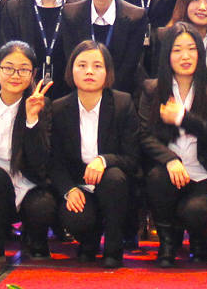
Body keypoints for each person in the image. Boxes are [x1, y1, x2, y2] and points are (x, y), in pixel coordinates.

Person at [138, 23, 207, 266]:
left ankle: (200, 239)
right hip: (168, 171)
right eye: (177, 50)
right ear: (167, 55)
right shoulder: (152, 89)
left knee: (196, 211)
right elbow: (144, 135)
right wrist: (170, 159)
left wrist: (183, 118)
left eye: (191, 49)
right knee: (156, 178)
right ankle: (167, 244)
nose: (185, 56)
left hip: (202, 173)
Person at [47, 42, 142, 267]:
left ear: (107, 71)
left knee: (114, 177)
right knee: (76, 218)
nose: (89, 71)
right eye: (82, 65)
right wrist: (69, 190)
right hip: (79, 185)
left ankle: (113, 248)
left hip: (115, 187)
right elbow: (55, 161)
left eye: (97, 66)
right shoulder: (58, 108)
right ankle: (88, 241)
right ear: (71, 70)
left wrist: (104, 160)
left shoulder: (122, 103)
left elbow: (133, 158)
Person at [0, 43, 55, 265]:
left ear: (33, 73)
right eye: (9, 68)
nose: (15, 75)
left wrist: (32, 120)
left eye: (23, 69)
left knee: (42, 206)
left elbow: (41, 162)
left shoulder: (42, 105)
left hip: (30, 183)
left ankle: (35, 238)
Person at [57, 0, 149, 97]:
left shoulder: (135, 16)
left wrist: (106, 98)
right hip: (80, 94)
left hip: (120, 96)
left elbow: (129, 67)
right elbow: (71, 60)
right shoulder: (70, 14)